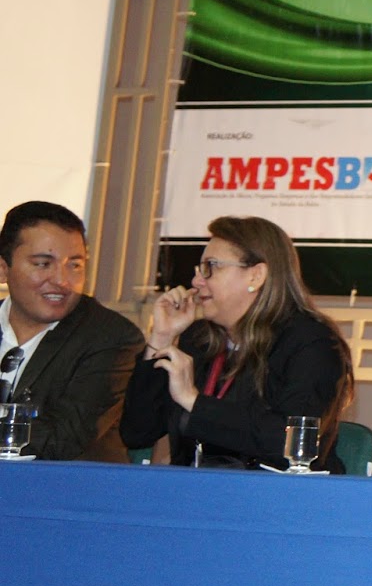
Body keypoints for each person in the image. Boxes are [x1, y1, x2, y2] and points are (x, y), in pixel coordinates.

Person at [120, 216, 354, 471]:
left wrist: (193, 401)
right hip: (196, 489)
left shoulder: (313, 344)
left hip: (275, 493)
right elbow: (137, 433)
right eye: (199, 269)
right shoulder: (198, 339)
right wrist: (162, 337)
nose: (197, 282)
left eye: (211, 267)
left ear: (256, 276)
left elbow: (289, 443)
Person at [0, 201, 143, 460]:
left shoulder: (112, 337)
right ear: (3, 269)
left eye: (75, 265)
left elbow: (63, 438)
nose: (62, 281)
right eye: (43, 264)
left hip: (61, 484)